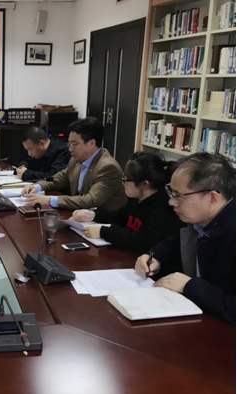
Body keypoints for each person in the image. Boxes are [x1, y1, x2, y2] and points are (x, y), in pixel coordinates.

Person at [134, 152, 235, 325]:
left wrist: (190, 286)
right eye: (171, 193)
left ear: (212, 198)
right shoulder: (201, 220)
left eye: (178, 195)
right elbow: (173, 243)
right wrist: (153, 257)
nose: (171, 202)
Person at [71, 152, 185, 253]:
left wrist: (103, 232)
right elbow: (120, 216)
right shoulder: (136, 198)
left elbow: (144, 240)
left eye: (126, 179)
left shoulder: (162, 208)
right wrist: (94, 215)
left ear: (144, 184)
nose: (123, 183)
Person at [22, 117, 126, 211]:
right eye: (69, 144)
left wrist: (50, 200)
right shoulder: (75, 160)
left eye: (74, 144)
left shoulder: (108, 167)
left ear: (91, 143)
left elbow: (90, 200)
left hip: (103, 221)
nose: (70, 149)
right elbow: (58, 179)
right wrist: (37, 186)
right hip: (80, 216)